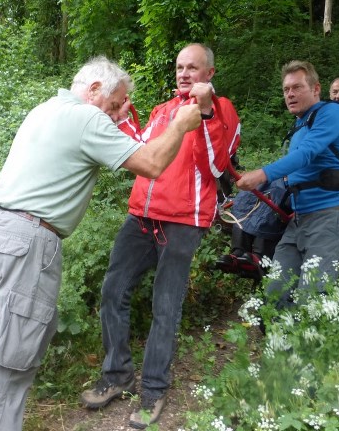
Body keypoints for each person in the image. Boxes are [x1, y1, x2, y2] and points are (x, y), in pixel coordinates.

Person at [0, 56, 203, 431]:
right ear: (94, 90)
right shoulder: (86, 118)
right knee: (17, 352)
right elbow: (153, 163)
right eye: (112, 105)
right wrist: (180, 124)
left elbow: (102, 135)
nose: (112, 115)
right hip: (27, 239)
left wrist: (112, 114)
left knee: (21, 332)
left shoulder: (48, 108)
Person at [80, 44, 239, 429]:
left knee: (165, 304)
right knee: (112, 290)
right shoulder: (163, 110)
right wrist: (121, 117)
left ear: (209, 75)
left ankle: (154, 389)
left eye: (193, 68)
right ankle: (117, 375)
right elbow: (141, 147)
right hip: (141, 217)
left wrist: (204, 113)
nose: (184, 74)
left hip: (185, 220)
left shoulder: (223, 110)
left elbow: (219, 166)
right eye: (180, 67)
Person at [236, 60, 339, 310]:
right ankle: (281, 347)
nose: (290, 94)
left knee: (310, 300)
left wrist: (262, 174)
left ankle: (310, 347)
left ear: (315, 89)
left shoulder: (331, 113)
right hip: (298, 220)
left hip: (330, 218)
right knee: (274, 296)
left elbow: (306, 154)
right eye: (286, 89)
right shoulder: (301, 124)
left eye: (297, 87)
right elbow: (297, 173)